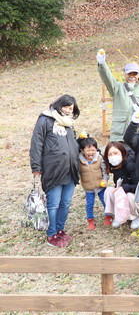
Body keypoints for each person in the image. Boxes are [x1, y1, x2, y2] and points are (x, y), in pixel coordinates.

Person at [30, 94, 80, 247]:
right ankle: (51, 234)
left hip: (70, 170)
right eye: (66, 106)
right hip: (53, 169)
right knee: (54, 204)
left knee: (65, 203)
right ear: (59, 105)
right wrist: (36, 167)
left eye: (71, 108)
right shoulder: (45, 120)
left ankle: (60, 230)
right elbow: (36, 144)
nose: (68, 110)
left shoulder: (69, 124)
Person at [96, 50, 139, 142]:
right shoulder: (117, 88)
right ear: (124, 74)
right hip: (119, 136)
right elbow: (107, 77)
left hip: (138, 135)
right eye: (129, 73)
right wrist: (102, 63)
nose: (132, 76)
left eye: (134, 74)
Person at [103, 141, 139, 227]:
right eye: (110, 154)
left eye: (115, 153)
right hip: (123, 191)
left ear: (122, 153)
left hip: (135, 195)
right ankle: (117, 215)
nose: (113, 156)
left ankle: (136, 216)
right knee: (108, 191)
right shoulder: (115, 167)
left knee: (129, 196)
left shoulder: (130, 165)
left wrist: (125, 188)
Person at [77, 136, 108, 230]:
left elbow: (105, 171)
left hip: (100, 185)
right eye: (88, 150)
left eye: (93, 150)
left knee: (105, 201)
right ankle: (90, 220)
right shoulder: (79, 161)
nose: (91, 153)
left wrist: (105, 180)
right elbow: (77, 172)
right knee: (89, 204)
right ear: (82, 151)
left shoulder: (99, 158)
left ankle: (108, 216)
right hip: (88, 187)